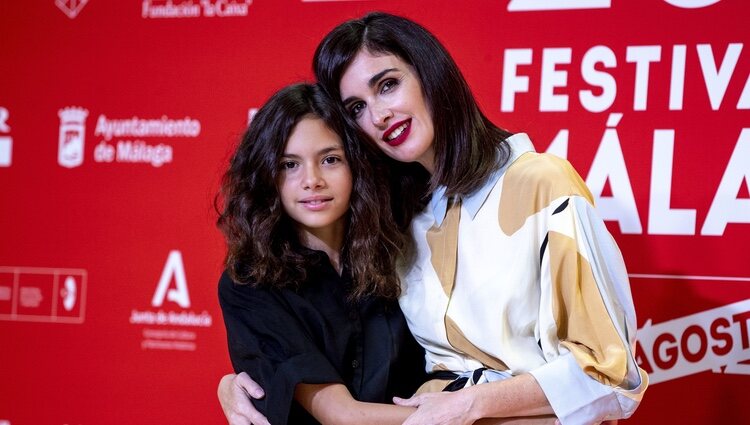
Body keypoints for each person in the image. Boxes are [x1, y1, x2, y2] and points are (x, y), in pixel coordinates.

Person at [220, 12, 648, 425]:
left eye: (387, 85)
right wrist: (246, 379)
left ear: (430, 73)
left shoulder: (540, 184)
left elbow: (612, 376)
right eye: (356, 108)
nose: (378, 115)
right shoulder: (398, 217)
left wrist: (472, 405)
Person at [216, 82, 428, 425]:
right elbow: (342, 416)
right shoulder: (249, 283)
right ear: (267, 175)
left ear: (357, 165)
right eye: (289, 165)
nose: (312, 180)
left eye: (330, 160)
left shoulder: (401, 252)